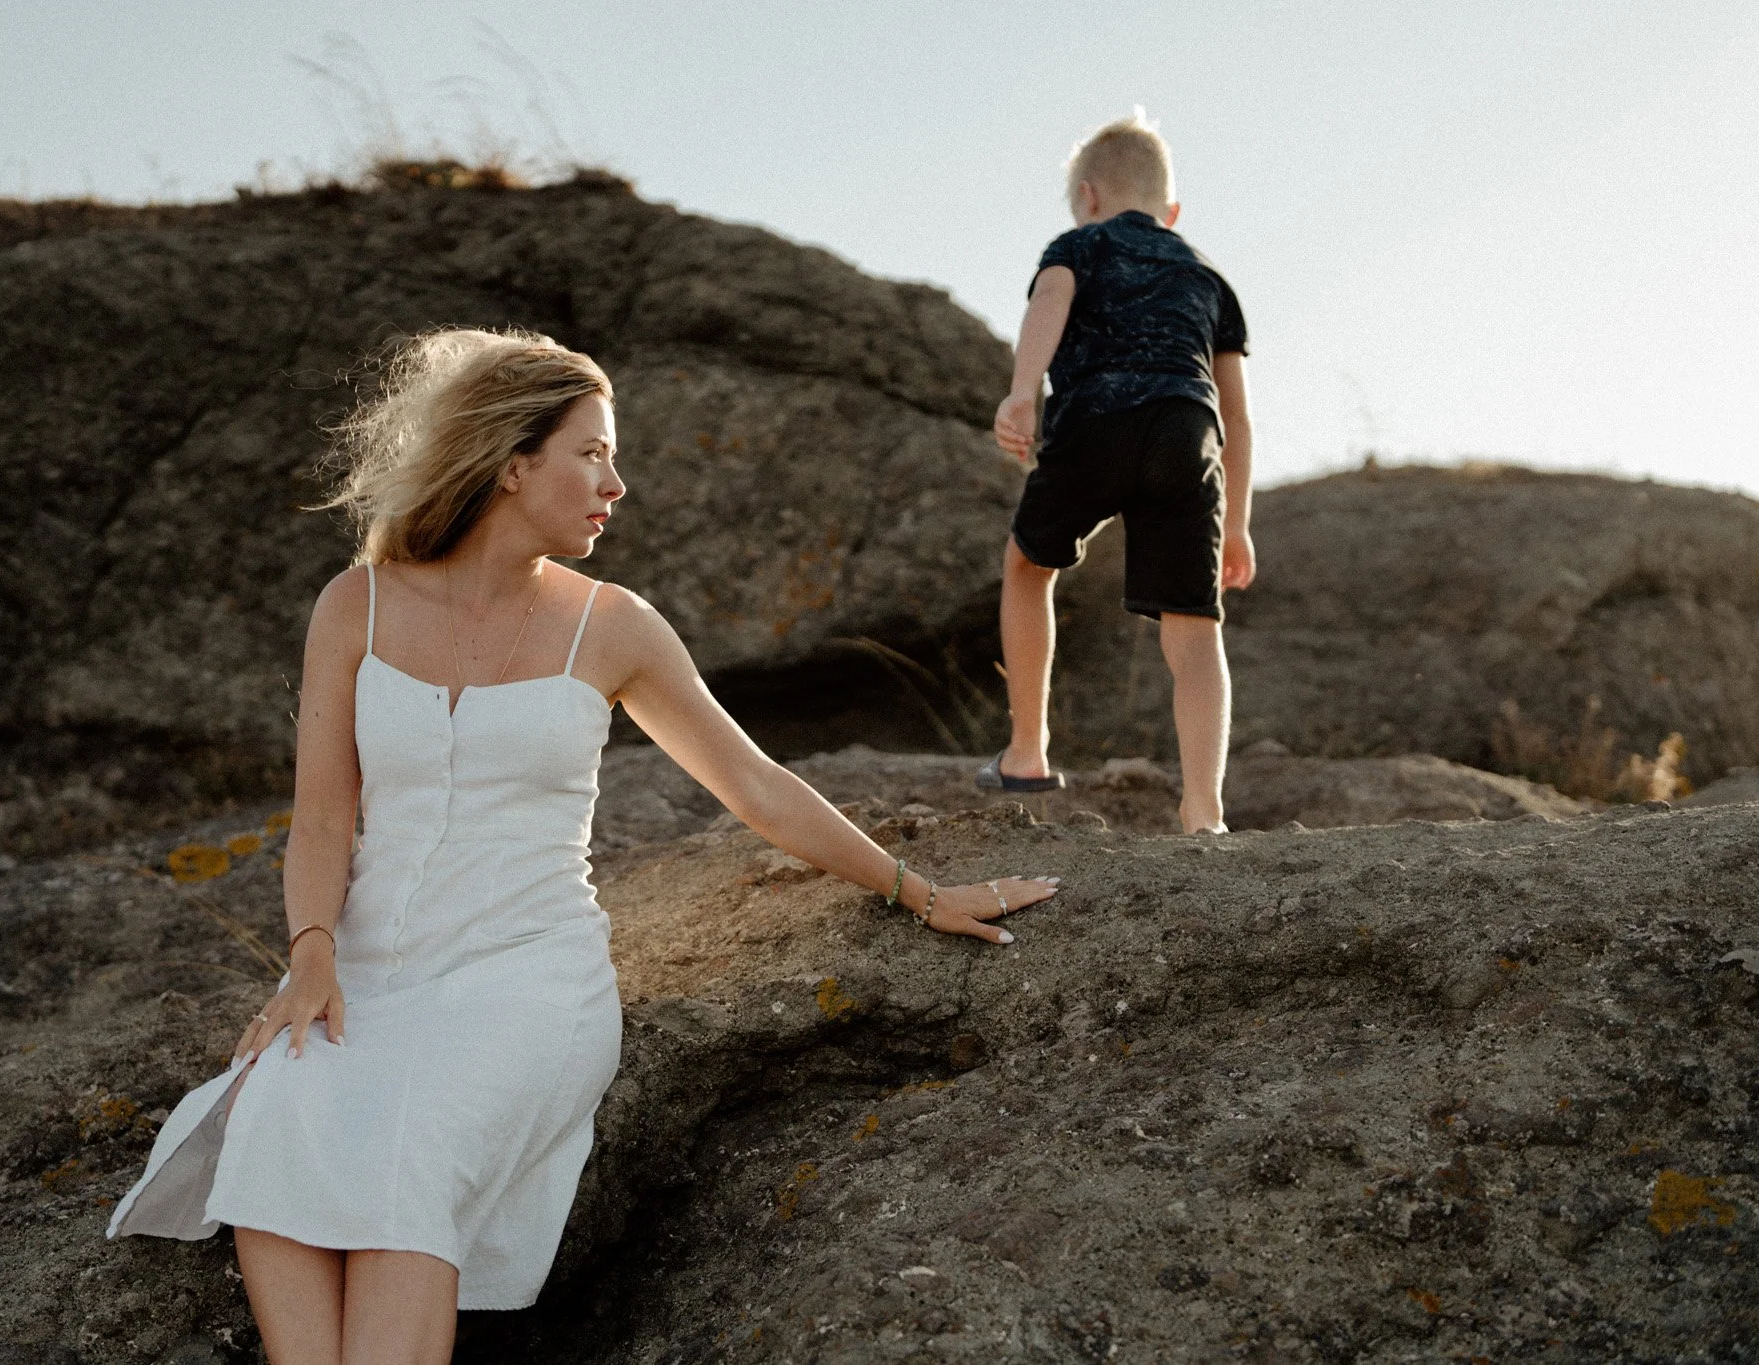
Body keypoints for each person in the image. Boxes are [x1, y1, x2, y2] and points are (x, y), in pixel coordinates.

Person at [105, 328, 1061, 1365]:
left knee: (412, 1153)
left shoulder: (614, 627)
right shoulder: (355, 604)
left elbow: (754, 786)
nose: (616, 483)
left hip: (526, 981)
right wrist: (311, 954)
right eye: (592, 453)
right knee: (277, 1110)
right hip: (368, 973)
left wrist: (918, 891)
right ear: (512, 464)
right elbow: (324, 818)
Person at [980, 109, 1256, 834]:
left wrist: (1022, 390)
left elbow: (1050, 300)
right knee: (1195, 628)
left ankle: (1027, 751)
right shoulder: (1208, 277)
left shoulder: (1079, 244)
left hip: (1096, 420)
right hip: (1186, 433)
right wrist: (1237, 525)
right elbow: (1237, 415)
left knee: (1028, 565)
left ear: (1089, 196)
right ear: (1172, 211)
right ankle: (1204, 810)